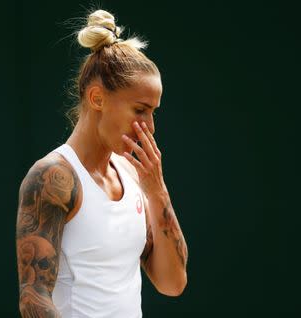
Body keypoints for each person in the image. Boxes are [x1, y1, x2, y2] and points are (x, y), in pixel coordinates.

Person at [15, 9, 188, 318]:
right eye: (140, 110)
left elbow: (172, 283)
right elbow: (33, 300)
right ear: (97, 99)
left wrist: (158, 192)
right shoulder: (51, 177)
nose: (149, 125)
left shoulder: (134, 174)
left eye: (153, 112)